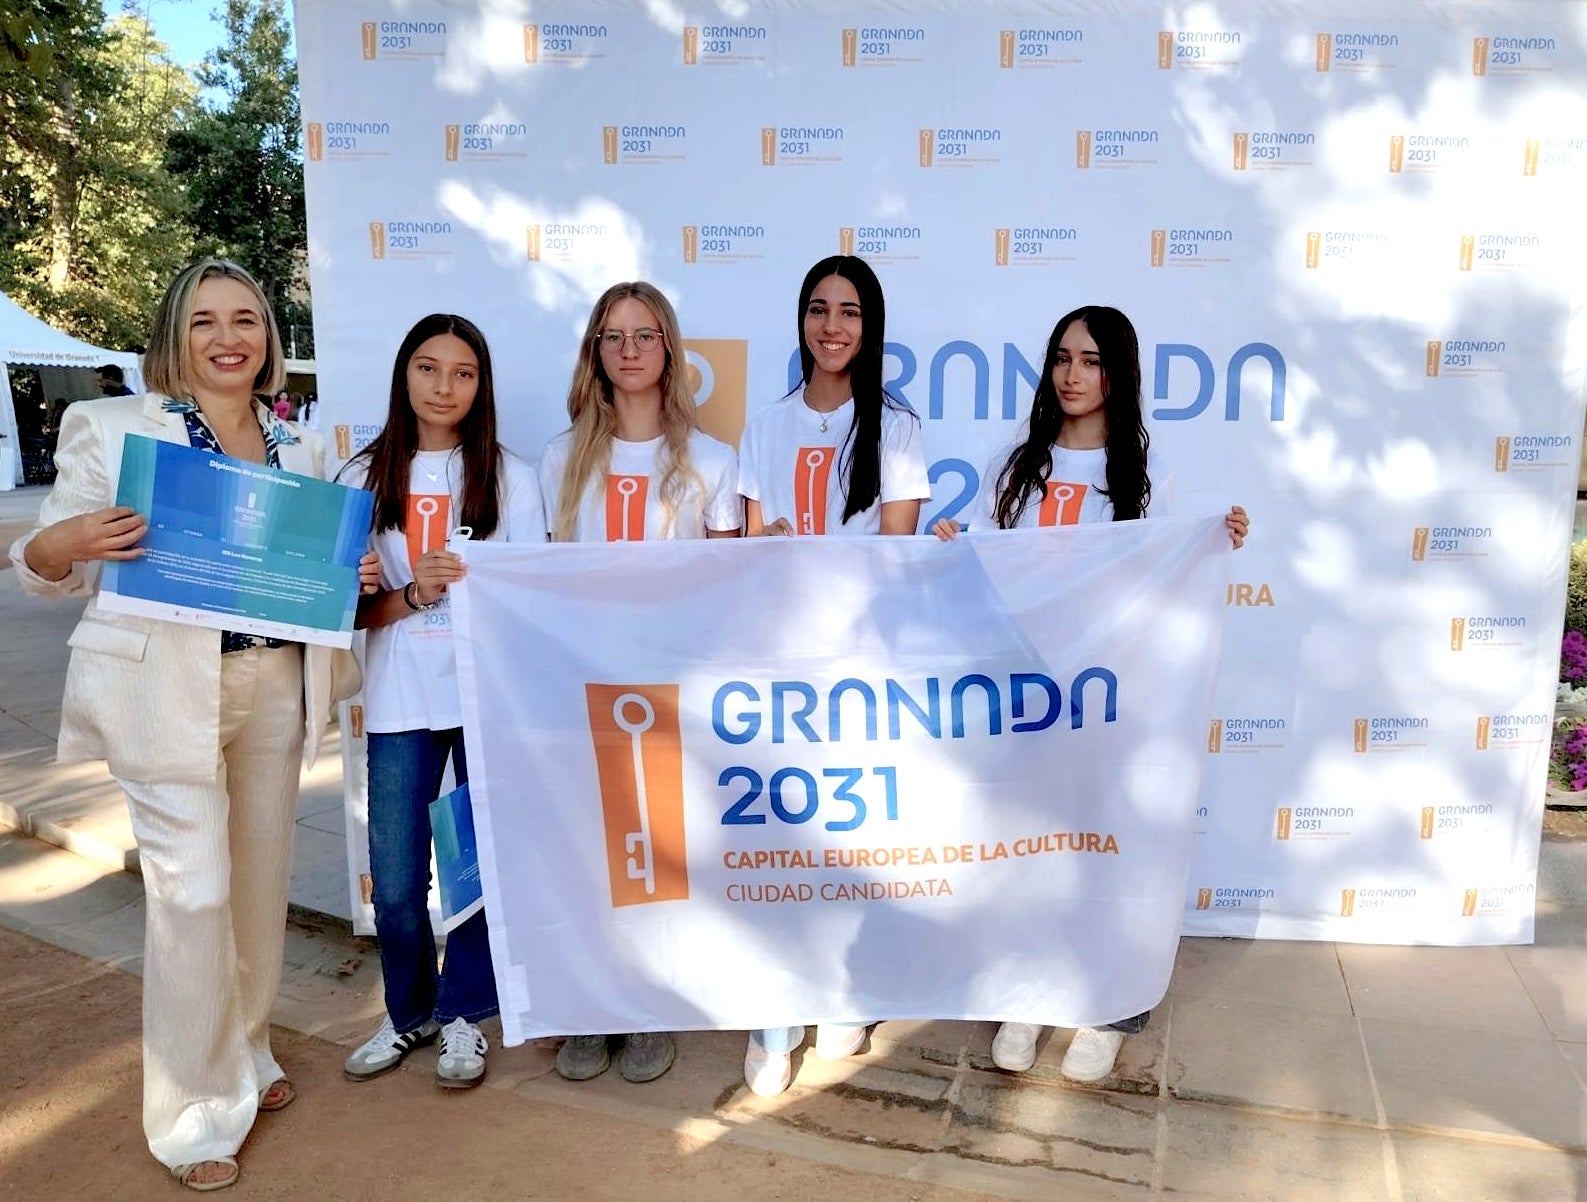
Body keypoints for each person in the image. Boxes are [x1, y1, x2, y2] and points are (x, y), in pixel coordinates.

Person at [8, 258, 376, 1192]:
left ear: (269, 338)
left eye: (245, 319)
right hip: (162, 692)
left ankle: (245, 1050)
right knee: (194, 894)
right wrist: (62, 544)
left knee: (255, 885)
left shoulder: (300, 445)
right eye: (205, 320)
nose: (227, 338)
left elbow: (312, 577)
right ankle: (192, 1114)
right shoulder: (111, 427)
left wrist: (349, 576)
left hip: (273, 686)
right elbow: (46, 568)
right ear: (175, 333)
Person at [933, 303, 1248, 1083]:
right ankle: (1028, 992)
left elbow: (1166, 576)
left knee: (1109, 852)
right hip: (1025, 699)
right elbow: (985, 570)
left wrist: (1215, 539)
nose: (1072, 375)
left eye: (1092, 361)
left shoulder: (1145, 473)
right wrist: (950, 549)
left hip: (1110, 700)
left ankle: (1109, 1007)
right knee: (1030, 851)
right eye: (1062, 357)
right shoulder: (1014, 466)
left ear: (1119, 374)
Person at [736, 254, 932, 1096]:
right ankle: (774, 1018)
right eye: (818, 308)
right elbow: (745, 552)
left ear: (869, 325)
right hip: (779, 665)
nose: (832, 325)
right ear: (801, 320)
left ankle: (845, 992)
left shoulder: (897, 429)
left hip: (858, 668)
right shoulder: (766, 425)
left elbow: (896, 557)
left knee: (852, 837)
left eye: (849, 311)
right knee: (779, 839)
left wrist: (823, 565)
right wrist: (769, 548)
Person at [539, 281, 740, 1083]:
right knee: (586, 852)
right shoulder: (560, 459)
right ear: (595, 351)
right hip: (578, 688)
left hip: (666, 693)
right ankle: (593, 1008)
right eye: (613, 336)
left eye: (645, 334)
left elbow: (727, 586)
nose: (629, 350)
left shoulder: (712, 462)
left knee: (657, 856)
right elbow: (537, 581)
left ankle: (652, 1005)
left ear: (668, 349)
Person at [339, 314, 545, 1093]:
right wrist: (405, 591)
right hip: (397, 700)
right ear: (404, 374)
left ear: (480, 385)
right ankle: (408, 1012)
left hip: (482, 700)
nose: (443, 387)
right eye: (428, 368)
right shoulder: (360, 478)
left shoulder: (511, 476)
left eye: (462, 373)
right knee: (395, 884)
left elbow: (527, 597)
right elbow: (348, 613)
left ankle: (464, 1015)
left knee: (477, 870)